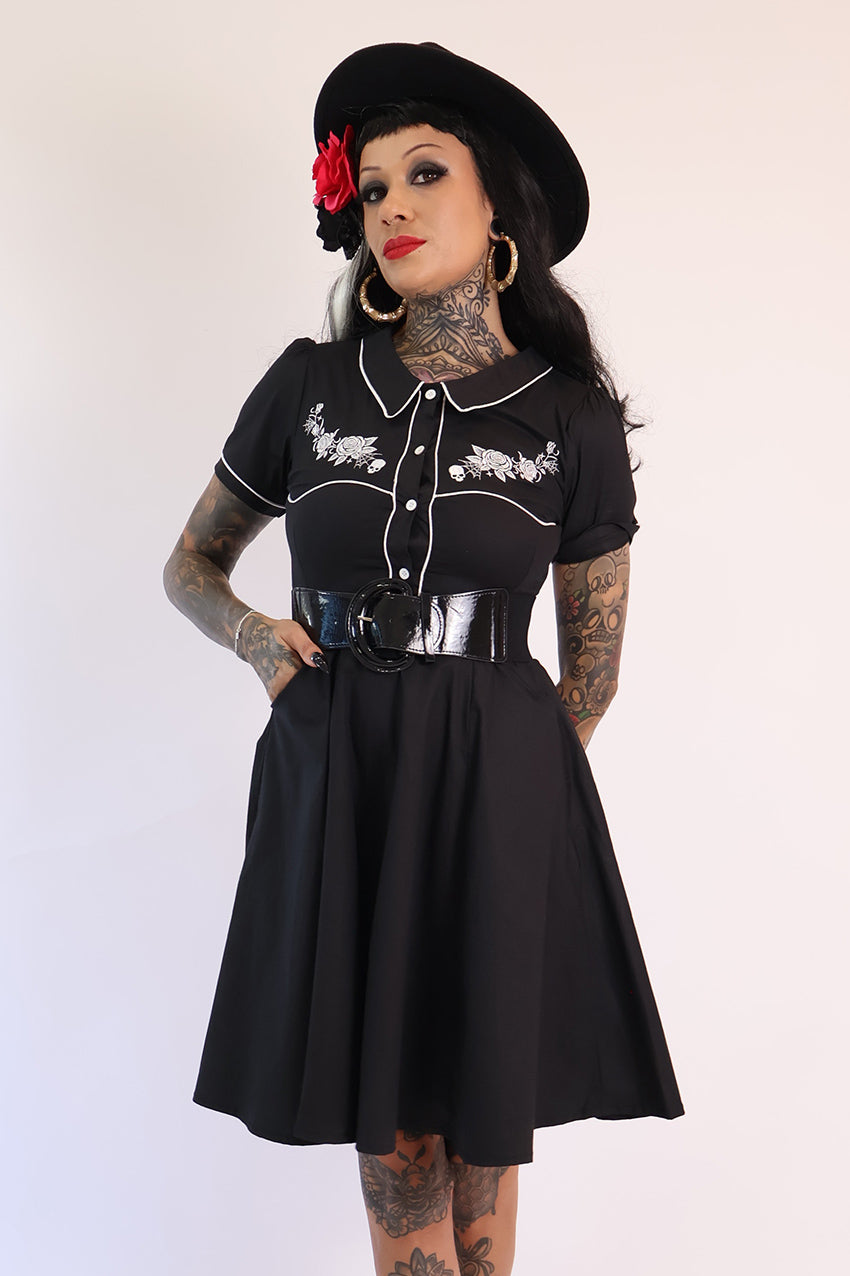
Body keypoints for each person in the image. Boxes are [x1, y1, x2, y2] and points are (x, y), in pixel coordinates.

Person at [163, 40, 685, 1276]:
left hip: (499, 786)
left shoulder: (569, 416)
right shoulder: (308, 387)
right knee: (391, 1119)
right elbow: (192, 566)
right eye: (372, 188)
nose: (390, 205)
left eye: (425, 174)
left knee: (478, 1106)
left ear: (497, 205)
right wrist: (258, 640)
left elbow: (594, 664)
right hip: (338, 772)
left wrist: (508, 780)